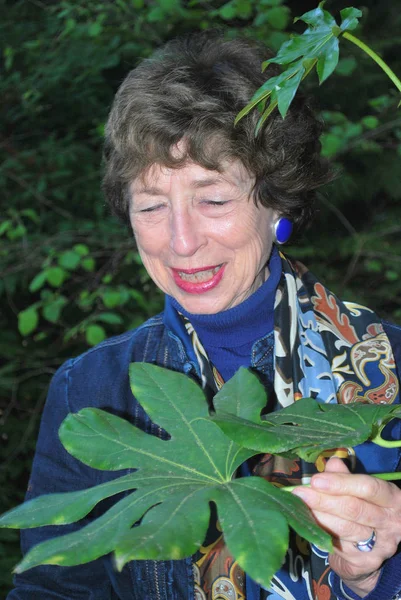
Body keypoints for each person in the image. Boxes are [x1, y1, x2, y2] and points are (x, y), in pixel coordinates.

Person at [8, 31, 401, 600]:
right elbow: (54, 588)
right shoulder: (93, 391)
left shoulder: (388, 367)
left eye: (213, 199)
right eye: (151, 205)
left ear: (278, 204)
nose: (182, 242)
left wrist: (377, 574)